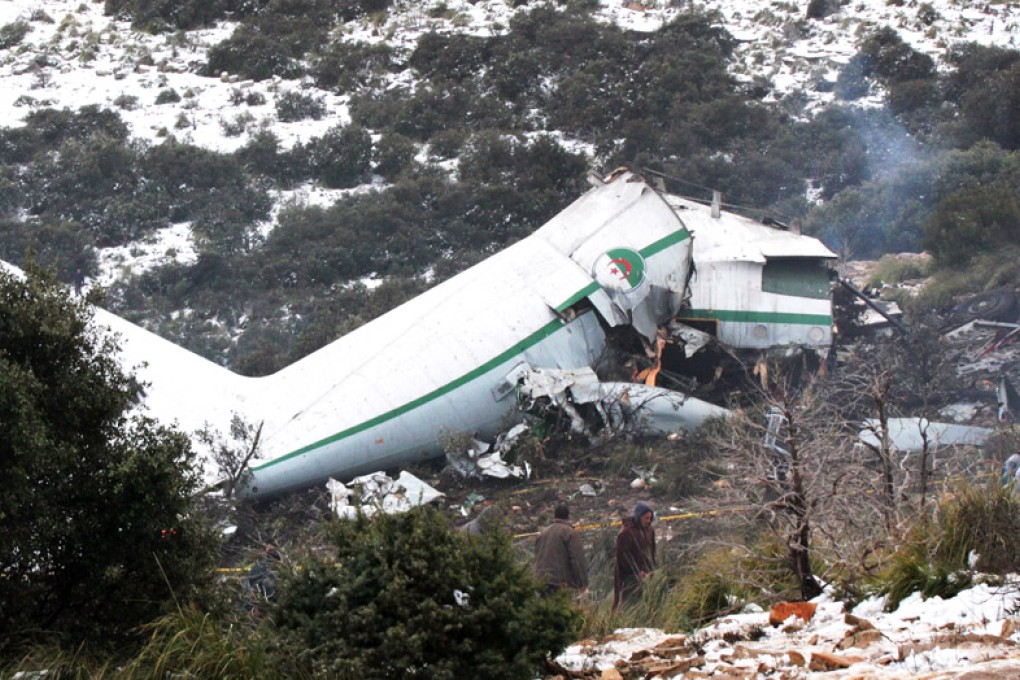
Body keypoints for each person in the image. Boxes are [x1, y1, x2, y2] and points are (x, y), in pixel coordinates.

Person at [532, 504, 588, 596]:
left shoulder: (543, 533)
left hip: (541, 580)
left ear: (554, 516)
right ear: (568, 517)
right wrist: (582, 583)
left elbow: (536, 556)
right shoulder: (570, 533)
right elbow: (577, 559)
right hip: (560, 582)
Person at [613, 501, 657, 611]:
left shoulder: (649, 530)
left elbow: (652, 551)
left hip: (646, 573)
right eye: (646, 518)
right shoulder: (626, 533)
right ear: (639, 517)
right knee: (630, 603)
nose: (648, 521)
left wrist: (653, 568)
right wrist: (637, 571)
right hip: (628, 576)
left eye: (650, 518)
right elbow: (623, 556)